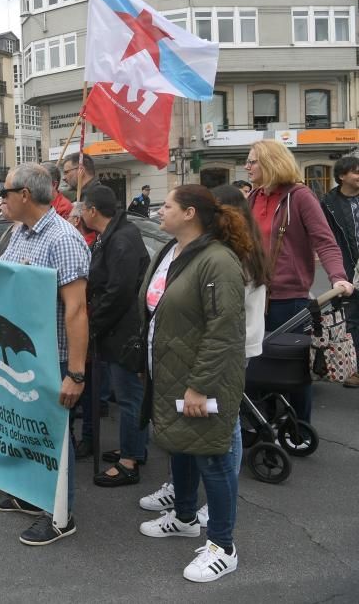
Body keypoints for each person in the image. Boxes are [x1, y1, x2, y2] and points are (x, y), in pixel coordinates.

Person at [136, 184, 250, 583]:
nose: (159, 211)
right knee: (180, 448)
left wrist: (200, 385)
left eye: (166, 206)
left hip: (201, 379)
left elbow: (224, 331)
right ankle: (184, 516)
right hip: (170, 373)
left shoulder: (218, 261)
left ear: (189, 213)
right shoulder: (172, 251)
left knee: (213, 459)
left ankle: (223, 546)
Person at [0, 163, 90, 546]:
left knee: (55, 436)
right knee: (28, 429)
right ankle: (30, 495)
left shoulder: (62, 239)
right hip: (26, 356)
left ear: (25, 195)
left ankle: (60, 515)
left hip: (54, 356)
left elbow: (77, 310)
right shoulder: (20, 233)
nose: (2, 199)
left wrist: (76, 373)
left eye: (5, 191)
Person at [246, 140, 353, 422]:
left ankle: (298, 426)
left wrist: (338, 278)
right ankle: (264, 424)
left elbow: (326, 243)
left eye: (252, 161)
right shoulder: (253, 198)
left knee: (293, 371)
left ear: (270, 162)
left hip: (289, 300)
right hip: (254, 296)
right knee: (257, 366)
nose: (248, 166)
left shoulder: (300, 196)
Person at [81, 186, 150, 487]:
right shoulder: (115, 234)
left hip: (123, 331)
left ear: (92, 210)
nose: (80, 214)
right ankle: (133, 446)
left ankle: (130, 461)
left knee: (128, 395)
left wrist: (93, 322)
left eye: (82, 208)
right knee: (128, 394)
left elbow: (118, 291)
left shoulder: (121, 238)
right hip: (119, 328)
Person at [320, 154, 359, 387]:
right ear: (342, 176)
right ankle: (354, 369)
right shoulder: (327, 204)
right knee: (351, 320)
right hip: (346, 269)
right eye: (356, 172)